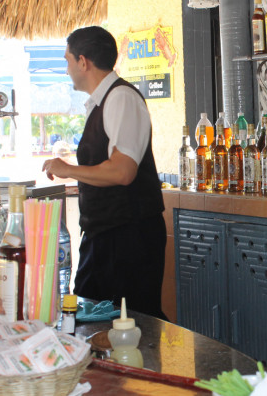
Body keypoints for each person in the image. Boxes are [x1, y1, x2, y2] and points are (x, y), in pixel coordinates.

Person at [42, 26, 166, 320]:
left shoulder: (121, 97)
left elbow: (123, 171)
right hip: (105, 234)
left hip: (128, 236)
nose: (67, 70)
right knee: (93, 317)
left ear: (83, 62)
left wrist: (68, 169)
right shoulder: (102, 101)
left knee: (130, 321)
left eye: (68, 60)